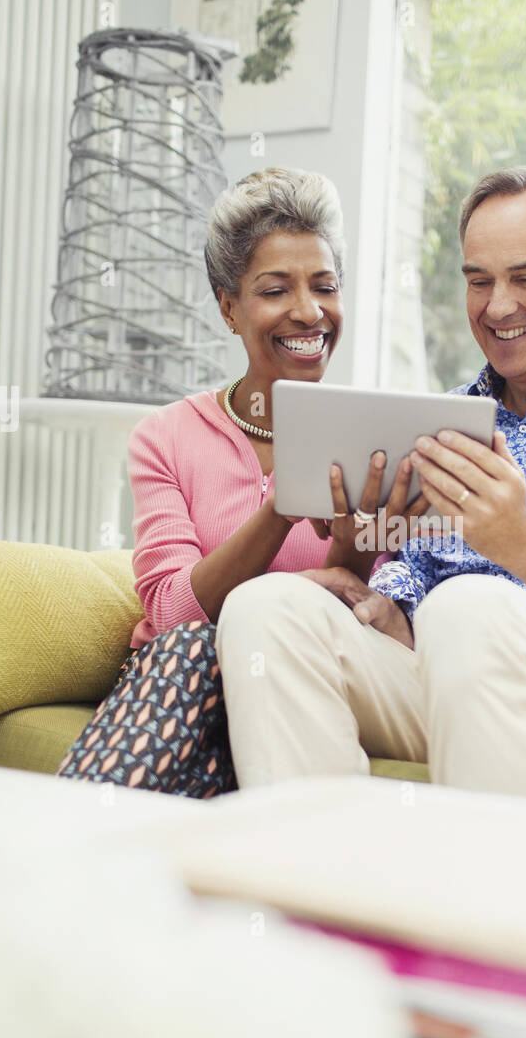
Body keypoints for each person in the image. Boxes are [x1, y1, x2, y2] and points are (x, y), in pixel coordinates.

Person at [213, 167, 526, 804]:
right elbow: (418, 567)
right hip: (452, 676)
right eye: (479, 281)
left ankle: (491, 901)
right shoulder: (448, 417)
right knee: (267, 608)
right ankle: (323, 885)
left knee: (470, 604)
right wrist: (389, 602)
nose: (498, 305)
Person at [56, 166, 422, 797]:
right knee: (192, 651)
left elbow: (359, 612)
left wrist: (350, 546)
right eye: (276, 290)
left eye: (325, 286)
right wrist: (280, 506)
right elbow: (172, 614)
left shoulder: (376, 435)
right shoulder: (165, 437)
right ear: (229, 307)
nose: (309, 312)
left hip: (295, 679)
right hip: (186, 676)